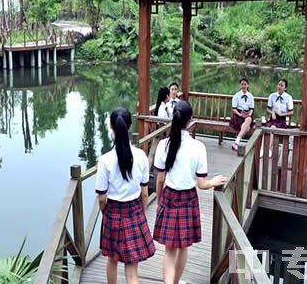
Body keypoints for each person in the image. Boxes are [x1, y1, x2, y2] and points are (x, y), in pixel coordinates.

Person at [153, 101, 227, 284]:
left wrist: (159, 201)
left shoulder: (163, 145)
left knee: (169, 250)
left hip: (169, 196)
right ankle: (175, 282)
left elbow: (160, 179)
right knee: (183, 247)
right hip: (188, 198)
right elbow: (201, 184)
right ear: (190, 120)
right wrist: (214, 182)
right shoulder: (198, 147)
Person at [95, 107, 156, 284]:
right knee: (132, 269)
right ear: (130, 127)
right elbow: (145, 194)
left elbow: (101, 197)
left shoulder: (105, 160)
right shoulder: (141, 156)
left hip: (112, 211)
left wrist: (106, 212)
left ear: (110, 127)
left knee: (112, 259)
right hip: (134, 210)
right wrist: (140, 213)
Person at [230, 77, 255, 152]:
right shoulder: (236, 95)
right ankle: (237, 141)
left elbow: (252, 109)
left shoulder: (250, 96)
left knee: (249, 119)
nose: (243, 86)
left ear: (248, 85)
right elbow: (234, 108)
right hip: (238, 116)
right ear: (240, 86)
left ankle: (236, 142)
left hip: (247, 115)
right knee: (246, 128)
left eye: (245, 84)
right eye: (242, 84)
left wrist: (249, 114)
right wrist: (240, 114)